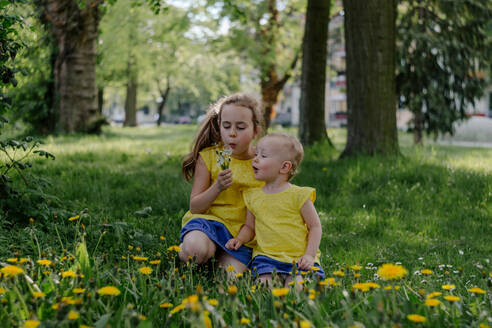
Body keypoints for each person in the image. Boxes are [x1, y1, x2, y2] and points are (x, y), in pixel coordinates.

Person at [225, 133, 324, 286]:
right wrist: (240, 239)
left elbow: (315, 226)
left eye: (263, 155)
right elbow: (249, 227)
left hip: (298, 258)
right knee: (263, 288)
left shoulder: (299, 195)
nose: (255, 159)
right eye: (256, 154)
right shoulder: (252, 196)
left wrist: (309, 255)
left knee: (299, 289)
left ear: (284, 167)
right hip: (267, 258)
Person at [179, 93, 263, 273]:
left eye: (240, 127)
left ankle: (217, 258)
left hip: (242, 234)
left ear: (256, 131)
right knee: (195, 251)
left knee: (229, 276)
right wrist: (217, 187)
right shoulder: (209, 157)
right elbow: (195, 207)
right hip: (208, 223)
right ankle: (196, 251)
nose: (232, 133)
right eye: (226, 126)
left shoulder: (262, 162)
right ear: (219, 127)